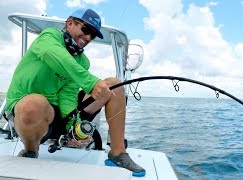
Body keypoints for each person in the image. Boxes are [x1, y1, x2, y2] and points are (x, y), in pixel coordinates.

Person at [5, 8, 145, 177]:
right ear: (70, 23)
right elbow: (54, 54)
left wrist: (74, 126)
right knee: (33, 104)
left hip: (56, 112)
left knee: (114, 85)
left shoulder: (82, 61)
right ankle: (30, 151)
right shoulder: (49, 36)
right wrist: (90, 82)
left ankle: (117, 153)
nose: (87, 38)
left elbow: (68, 94)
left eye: (92, 35)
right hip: (27, 114)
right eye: (86, 30)